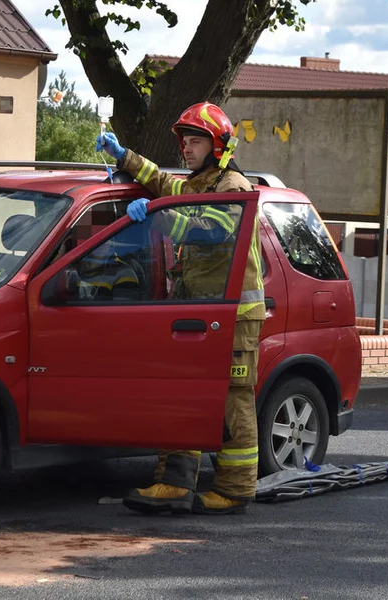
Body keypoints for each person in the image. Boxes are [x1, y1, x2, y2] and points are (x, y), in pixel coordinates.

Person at [96, 102, 265, 515]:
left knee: (232, 403)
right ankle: (174, 483)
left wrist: (155, 218)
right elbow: (162, 184)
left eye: (195, 141)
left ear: (218, 145)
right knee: (184, 396)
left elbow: (207, 232)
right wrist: (123, 158)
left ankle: (235, 489)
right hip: (200, 314)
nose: (186, 149)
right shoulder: (199, 184)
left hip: (235, 320)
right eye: (184, 141)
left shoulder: (233, 188)